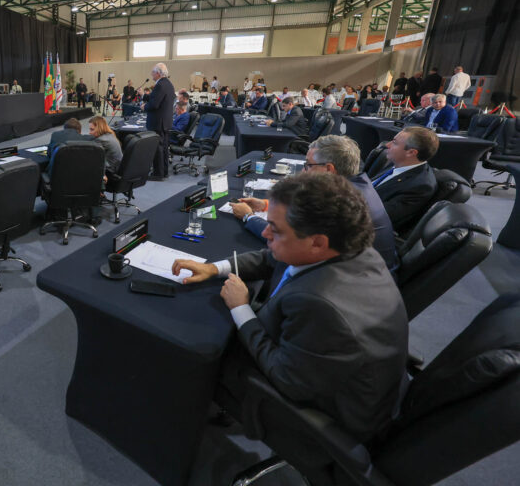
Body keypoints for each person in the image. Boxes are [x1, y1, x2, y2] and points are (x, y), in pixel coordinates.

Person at [172, 172, 408, 442]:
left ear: (317, 242)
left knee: (190, 350)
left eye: (275, 229)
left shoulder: (322, 306)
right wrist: (214, 268)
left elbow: (286, 379)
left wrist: (241, 308)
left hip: (330, 416)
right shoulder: (349, 248)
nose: (265, 233)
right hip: (331, 369)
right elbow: (272, 258)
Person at [230, 135, 398, 271]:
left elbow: (288, 238)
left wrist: (248, 216)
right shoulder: (357, 184)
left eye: (308, 165)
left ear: (329, 169)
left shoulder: (339, 202)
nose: (304, 171)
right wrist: (265, 205)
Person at [373, 127, 439, 233]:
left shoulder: (420, 186)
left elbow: (379, 216)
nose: (388, 145)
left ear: (411, 152)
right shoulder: (398, 162)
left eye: (394, 143)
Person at [144, 63, 174, 181]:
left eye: (153, 72)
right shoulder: (168, 84)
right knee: (164, 148)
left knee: (158, 149)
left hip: (158, 122)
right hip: (165, 122)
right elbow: (157, 99)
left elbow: (154, 104)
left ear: (158, 73)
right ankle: (164, 171)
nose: (151, 74)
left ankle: (157, 174)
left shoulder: (160, 85)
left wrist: (144, 107)